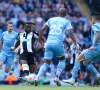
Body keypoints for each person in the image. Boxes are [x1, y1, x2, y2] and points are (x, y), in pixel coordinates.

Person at [24, 8, 78, 86]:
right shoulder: (66, 21)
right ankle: (57, 77)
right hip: (58, 43)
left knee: (46, 63)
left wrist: (39, 42)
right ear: (65, 15)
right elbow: (70, 32)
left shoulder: (51, 19)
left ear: (58, 13)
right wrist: (75, 43)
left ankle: (37, 77)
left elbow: (42, 30)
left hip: (48, 43)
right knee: (62, 60)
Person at [63, 12, 100, 85]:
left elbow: (97, 34)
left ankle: (73, 78)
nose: (91, 20)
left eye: (91, 18)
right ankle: (98, 76)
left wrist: (93, 45)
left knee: (78, 59)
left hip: (95, 48)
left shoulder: (95, 25)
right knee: (85, 63)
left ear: (94, 18)